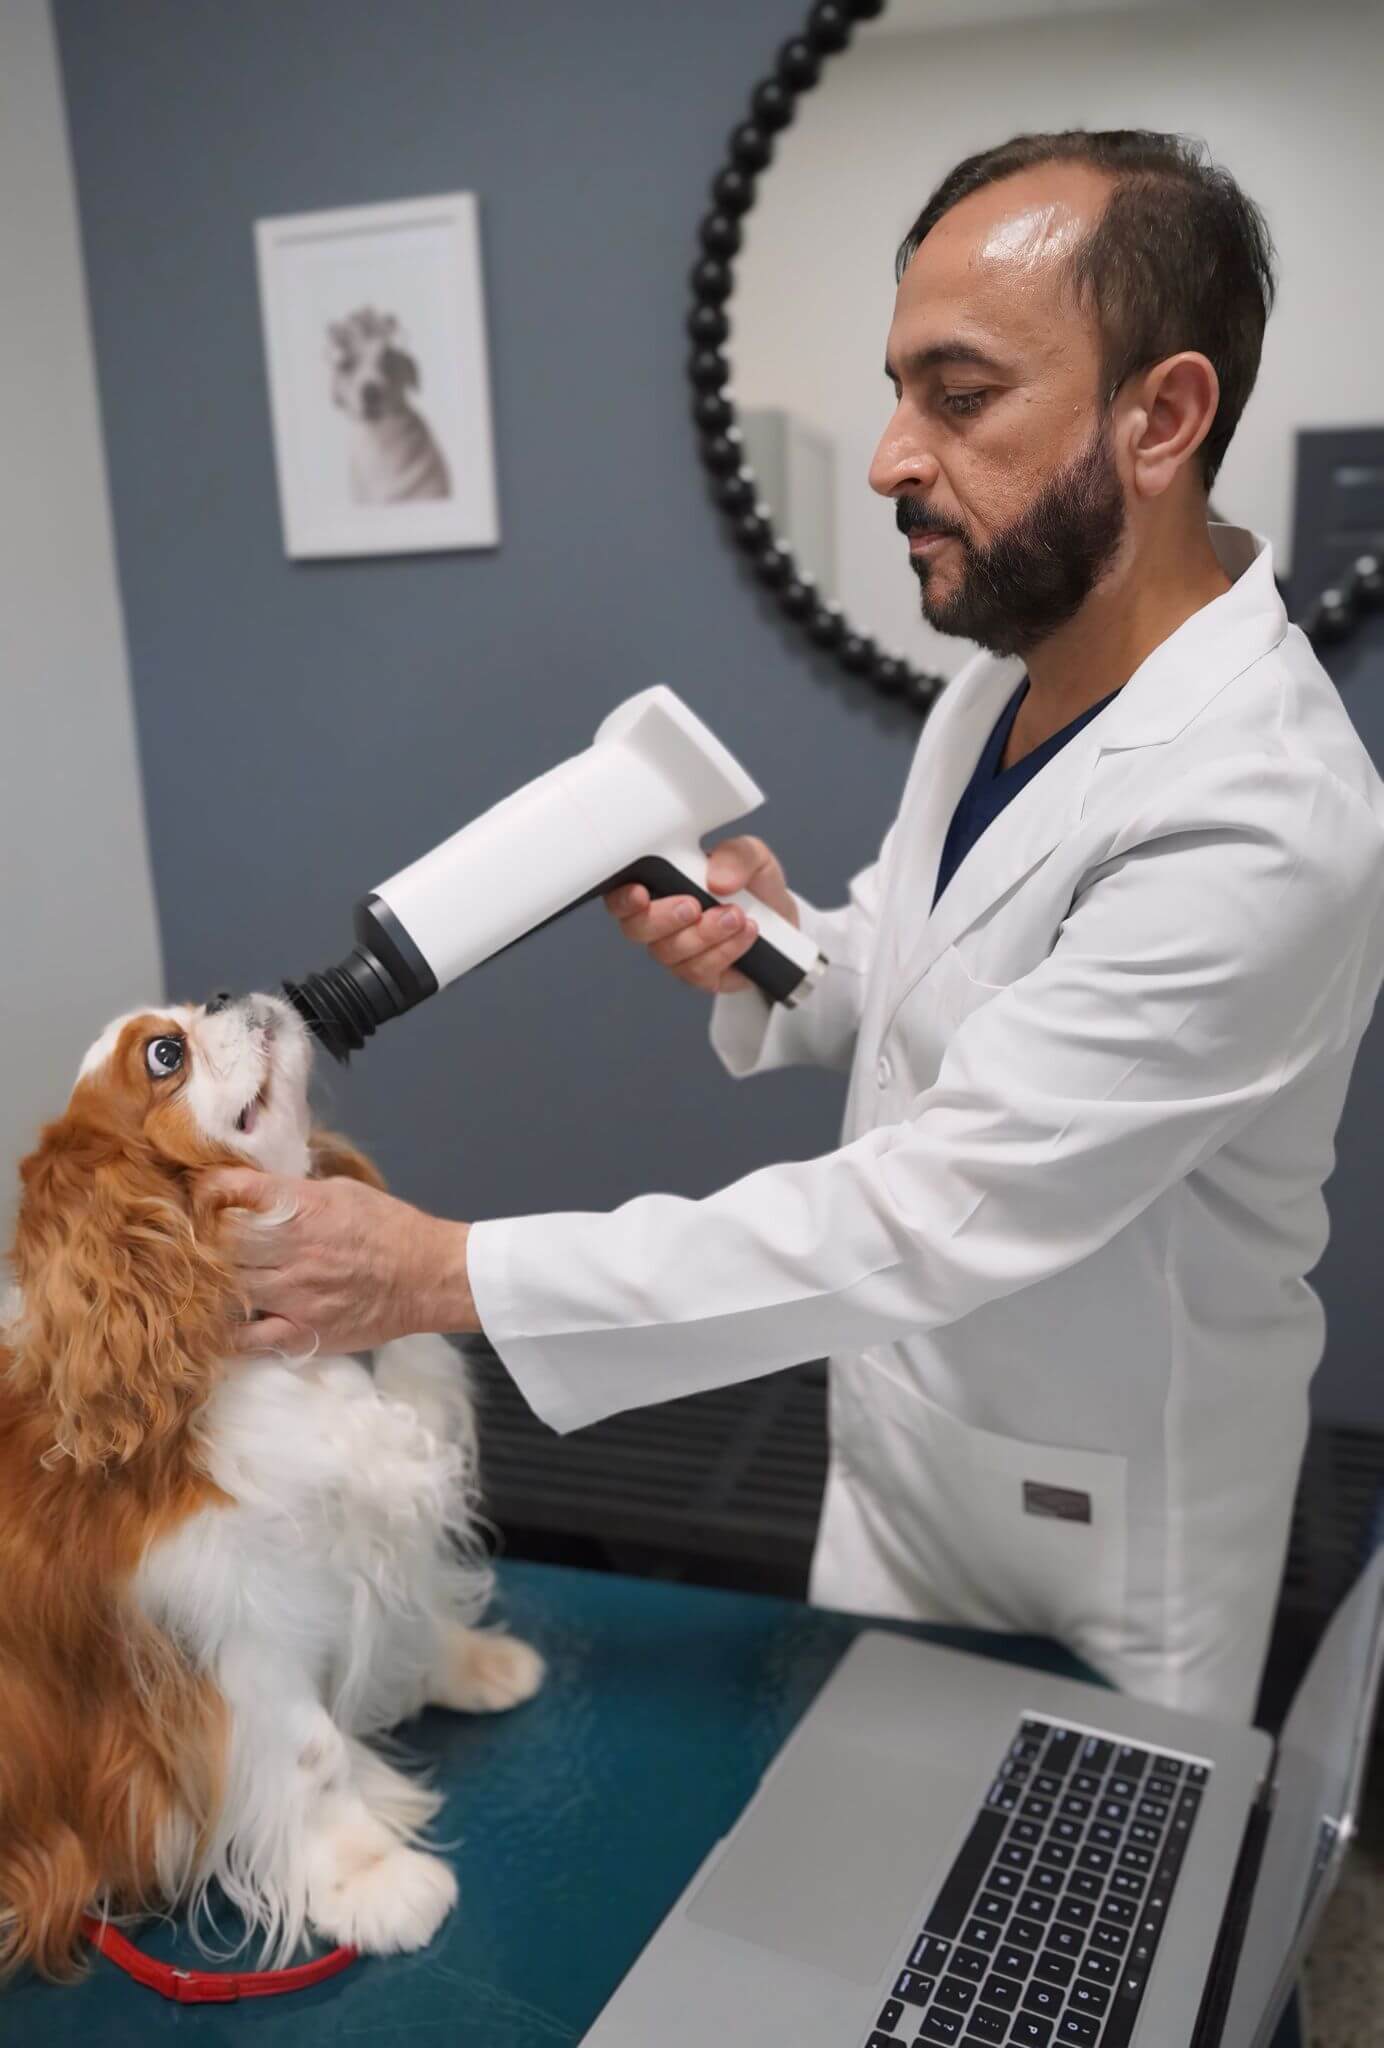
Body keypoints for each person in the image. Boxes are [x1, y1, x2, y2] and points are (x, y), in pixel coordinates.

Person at [212, 129, 1384, 1723]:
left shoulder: (1264, 814)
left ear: (1162, 416)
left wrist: (441, 1273)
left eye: (958, 398)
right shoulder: (1003, 684)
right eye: (899, 389)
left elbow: (927, 1212)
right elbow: (911, 971)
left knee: (1074, 1939)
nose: (894, 454)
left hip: (1109, 1541)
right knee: (851, 1860)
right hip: (901, 1459)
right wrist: (782, 944)